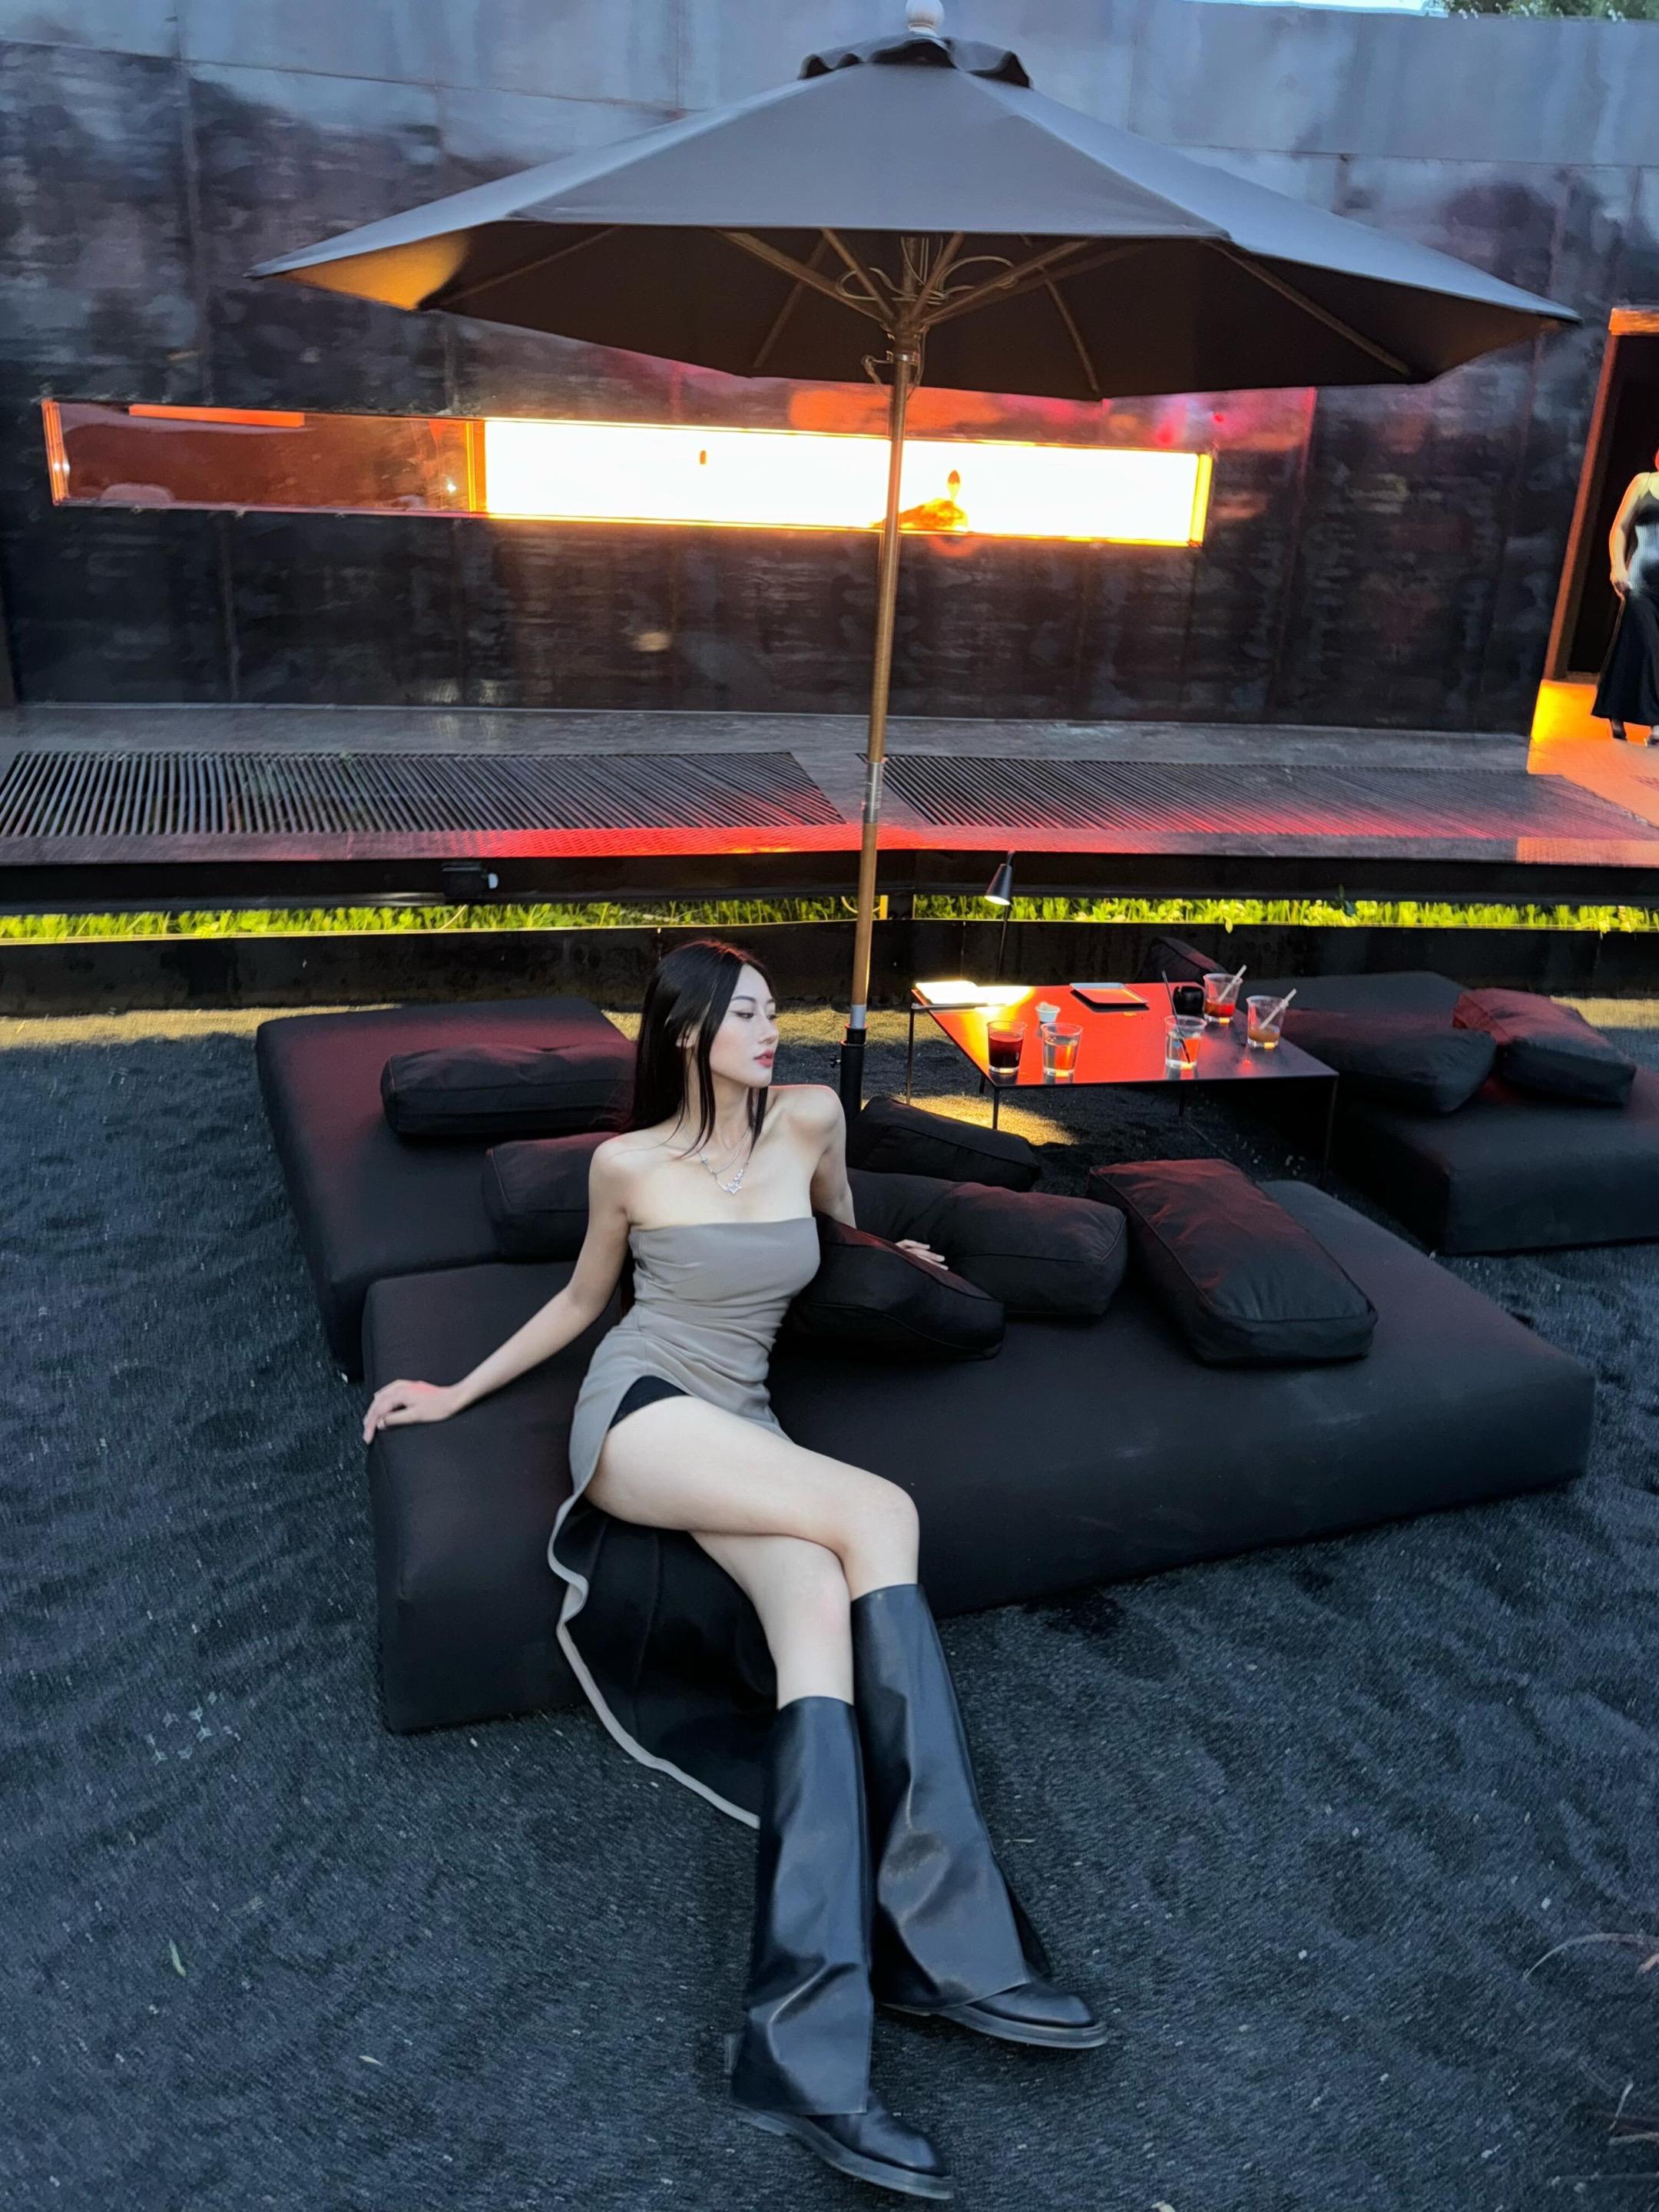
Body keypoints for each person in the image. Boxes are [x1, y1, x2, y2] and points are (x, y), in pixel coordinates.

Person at [360, 939, 1104, 2201]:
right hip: (645, 1411)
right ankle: (951, 1938)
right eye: (749, 1014)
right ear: (688, 1034)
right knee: (878, 1513)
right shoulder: (629, 1166)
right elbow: (582, 1306)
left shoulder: (811, 1119)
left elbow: (841, 1230)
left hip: (745, 1418)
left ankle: (800, 2049)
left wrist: (904, 1262)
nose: (773, 1028)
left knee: (814, 1599)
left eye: (773, 1009)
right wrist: (453, 1391)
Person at [1594, 448, 1659, 742]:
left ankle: (1617, 711)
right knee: (1647, 644)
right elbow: (1620, 528)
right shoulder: (1644, 482)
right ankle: (1656, 722)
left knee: (1633, 647)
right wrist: (1617, 566)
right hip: (1640, 581)